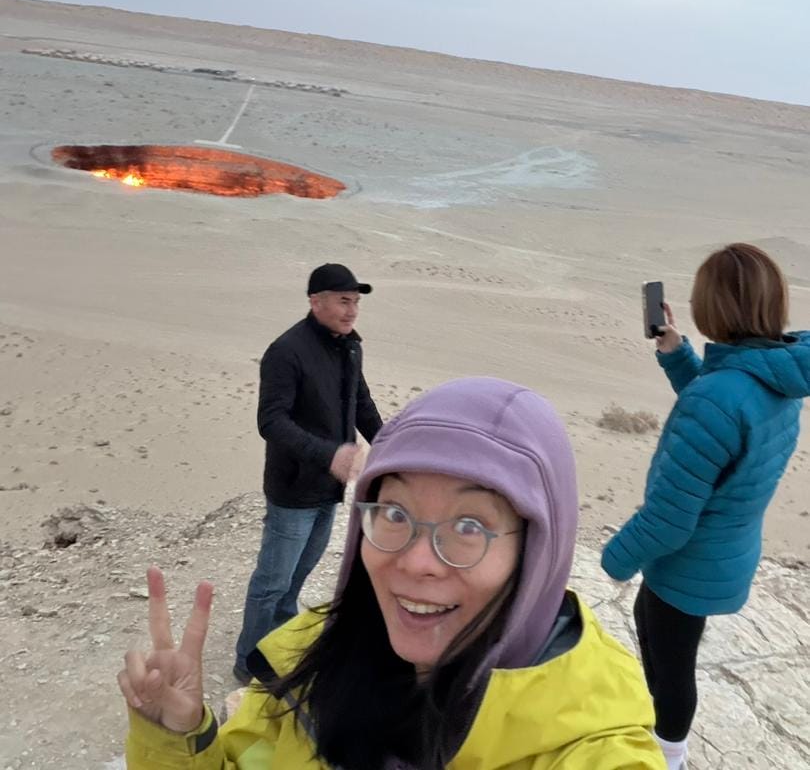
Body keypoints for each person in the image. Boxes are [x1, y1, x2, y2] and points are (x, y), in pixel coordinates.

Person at [121, 377, 666, 769]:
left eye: (469, 525)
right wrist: (178, 737)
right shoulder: (315, 657)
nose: (416, 562)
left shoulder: (591, 745)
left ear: (537, 552)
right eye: (395, 513)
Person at [602, 243, 810, 770]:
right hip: (726, 551)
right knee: (662, 641)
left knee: (670, 669)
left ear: (713, 306)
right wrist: (676, 354)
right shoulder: (777, 377)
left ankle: (667, 756)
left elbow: (671, 520)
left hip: (689, 563)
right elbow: (723, 411)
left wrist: (614, 559)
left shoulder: (721, 397)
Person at [232, 262, 382, 683]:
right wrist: (329, 455)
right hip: (294, 488)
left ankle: (277, 645)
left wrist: (391, 444)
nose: (351, 310)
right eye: (342, 300)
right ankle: (249, 663)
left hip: (328, 489)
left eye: (355, 302)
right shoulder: (286, 351)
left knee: (298, 575)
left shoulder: (349, 346)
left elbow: (362, 402)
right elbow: (271, 422)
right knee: (273, 581)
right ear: (316, 302)